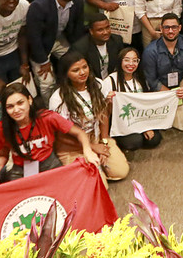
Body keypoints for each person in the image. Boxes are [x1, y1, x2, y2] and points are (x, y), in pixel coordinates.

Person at [0, 84, 99, 181]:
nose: (16, 110)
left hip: (50, 164)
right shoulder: (0, 129)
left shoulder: (47, 117)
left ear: (29, 100)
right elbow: (3, 154)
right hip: (20, 170)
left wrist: (88, 150)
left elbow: (79, 133)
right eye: (10, 106)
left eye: (20, 103)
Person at [48, 51, 128, 182]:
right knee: (97, 183)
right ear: (65, 73)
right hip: (72, 145)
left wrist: (104, 141)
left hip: (95, 136)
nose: (82, 72)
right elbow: (61, 136)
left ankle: (100, 167)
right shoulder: (58, 99)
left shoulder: (97, 84)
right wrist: (92, 147)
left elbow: (103, 114)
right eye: (75, 70)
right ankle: (97, 170)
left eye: (84, 67)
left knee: (121, 171)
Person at [27, 0, 86, 102]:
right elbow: (34, 38)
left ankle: (75, 99)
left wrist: (77, 51)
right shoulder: (39, 6)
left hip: (61, 39)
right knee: (47, 82)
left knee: (76, 65)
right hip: (41, 44)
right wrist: (44, 61)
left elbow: (78, 28)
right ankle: (50, 108)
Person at [101, 47, 163, 151]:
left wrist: (145, 127)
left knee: (155, 139)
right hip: (121, 122)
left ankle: (139, 135)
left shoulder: (140, 78)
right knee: (135, 141)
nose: (131, 64)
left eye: (135, 60)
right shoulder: (110, 81)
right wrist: (108, 101)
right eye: (127, 60)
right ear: (120, 61)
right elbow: (104, 111)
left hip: (139, 118)